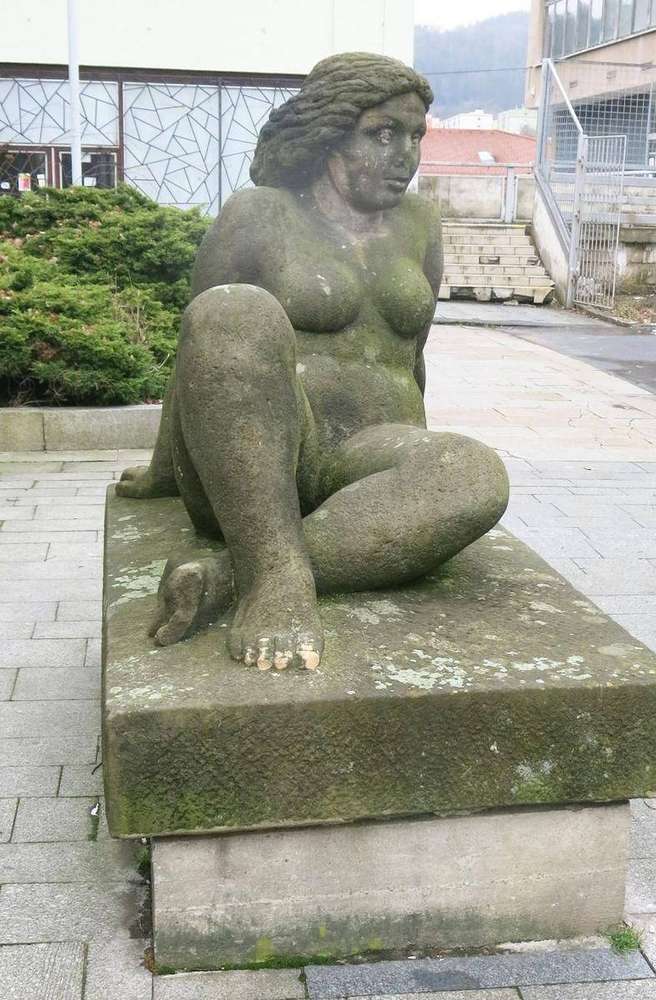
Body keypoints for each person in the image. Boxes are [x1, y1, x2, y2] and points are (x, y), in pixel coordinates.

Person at [116, 52, 509, 672]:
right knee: (233, 309)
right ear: (331, 132)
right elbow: (202, 354)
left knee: (471, 471)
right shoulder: (257, 214)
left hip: (367, 454)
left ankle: (233, 574)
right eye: (383, 133)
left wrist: (411, 477)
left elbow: (412, 357)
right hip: (257, 462)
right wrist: (165, 470)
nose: (405, 154)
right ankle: (274, 577)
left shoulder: (419, 223)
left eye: (415, 136)